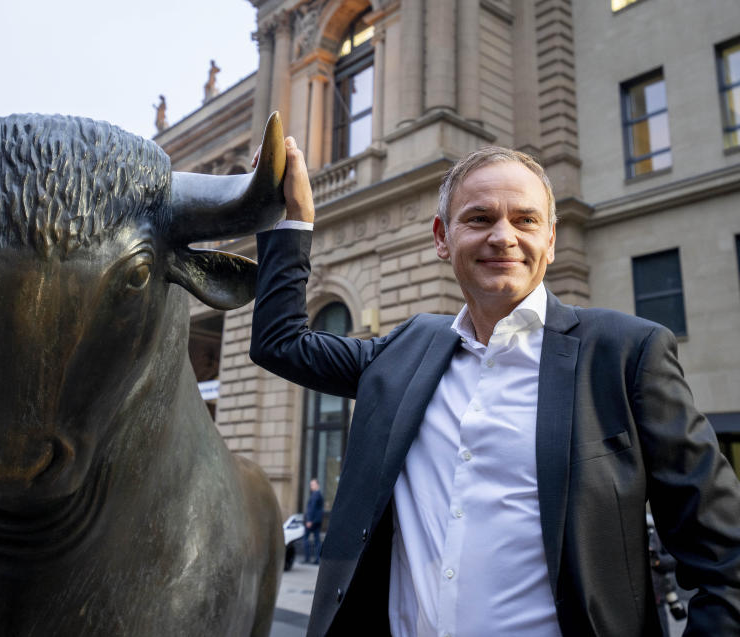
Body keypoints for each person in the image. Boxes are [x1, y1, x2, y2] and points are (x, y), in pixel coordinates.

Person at [249, 138, 740, 636]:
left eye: (525, 220)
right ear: (443, 237)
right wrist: (294, 220)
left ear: (551, 238)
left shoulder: (626, 354)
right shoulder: (406, 350)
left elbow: (726, 564)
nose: (503, 237)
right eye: (479, 218)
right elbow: (280, 342)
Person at [304, 478, 324, 565]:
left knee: (306, 538)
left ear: (317, 485)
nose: (311, 486)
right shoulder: (318, 494)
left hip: (312, 521)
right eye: (310, 484)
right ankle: (317, 559)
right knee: (317, 540)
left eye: (312, 484)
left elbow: (312, 509)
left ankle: (308, 558)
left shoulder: (316, 495)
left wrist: (309, 520)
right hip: (317, 521)